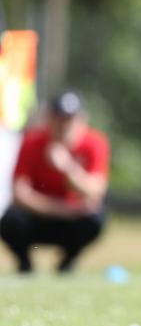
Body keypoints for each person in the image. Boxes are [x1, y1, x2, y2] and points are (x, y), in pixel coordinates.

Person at [0, 91, 109, 273]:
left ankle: (67, 262)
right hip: (39, 217)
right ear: (49, 118)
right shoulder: (31, 142)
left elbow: (95, 191)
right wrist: (62, 210)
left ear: (82, 120)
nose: (64, 125)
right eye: (59, 118)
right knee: (10, 220)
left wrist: (67, 168)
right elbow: (20, 193)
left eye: (70, 119)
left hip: (71, 223)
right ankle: (24, 264)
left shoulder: (94, 143)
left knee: (95, 220)